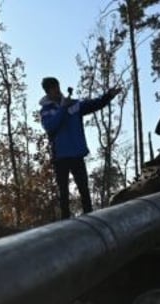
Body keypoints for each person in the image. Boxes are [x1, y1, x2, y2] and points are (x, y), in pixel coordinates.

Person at [39, 77, 120, 219]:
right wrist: (63, 108)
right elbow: (50, 127)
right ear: (47, 92)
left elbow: (94, 104)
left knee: (84, 189)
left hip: (77, 154)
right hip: (61, 156)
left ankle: (91, 219)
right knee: (63, 192)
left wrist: (108, 96)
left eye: (57, 87)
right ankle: (65, 224)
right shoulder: (46, 110)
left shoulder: (74, 105)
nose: (57, 90)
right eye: (53, 89)